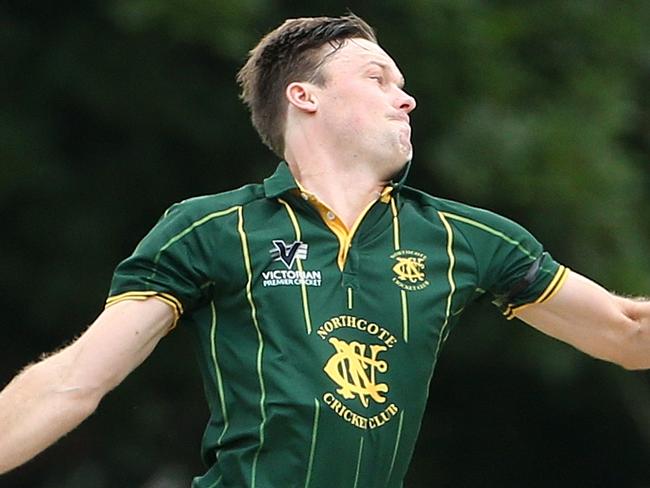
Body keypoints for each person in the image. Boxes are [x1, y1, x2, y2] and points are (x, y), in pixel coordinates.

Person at [1, 13, 648, 487]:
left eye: (402, 83)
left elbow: (625, 333)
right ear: (304, 96)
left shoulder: (467, 238)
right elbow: (73, 382)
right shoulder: (210, 230)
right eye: (378, 77)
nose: (407, 95)